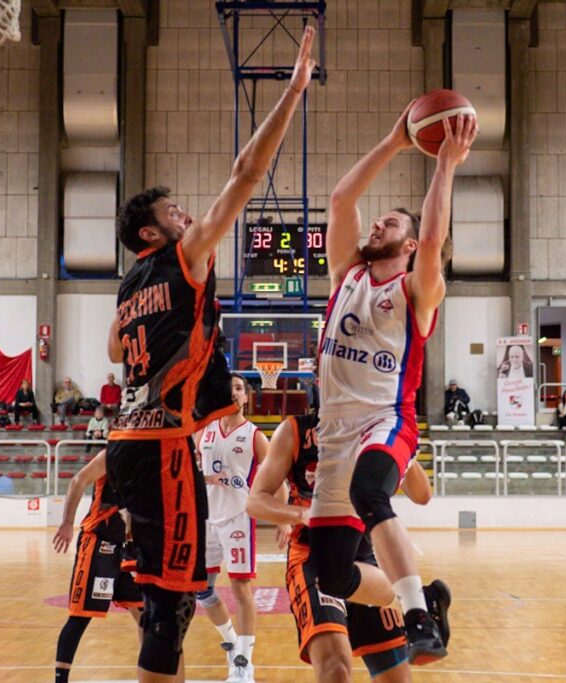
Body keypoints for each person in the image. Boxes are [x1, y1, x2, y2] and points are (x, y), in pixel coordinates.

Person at [104, 28, 316, 682]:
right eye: (174, 212)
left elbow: (115, 347)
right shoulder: (181, 259)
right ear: (151, 232)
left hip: (125, 445)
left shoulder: (129, 284)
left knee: (172, 594)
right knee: (171, 607)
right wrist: (294, 91)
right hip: (166, 448)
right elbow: (246, 174)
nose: (187, 214)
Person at [312, 105, 474, 665]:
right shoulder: (347, 276)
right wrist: (394, 140)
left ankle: (417, 618)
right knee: (330, 571)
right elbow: (340, 201)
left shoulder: (418, 289)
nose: (378, 224)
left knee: (370, 492)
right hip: (332, 433)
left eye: (392, 224)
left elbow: (433, 241)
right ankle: (423, 594)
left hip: (386, 421)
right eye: (379, 221)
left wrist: (445, 166)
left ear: (409, 246)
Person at [246, 410, 445, 683]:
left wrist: (399, 440)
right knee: (335, 670)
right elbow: (255, 501)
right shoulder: (294, 430)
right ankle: (417, 600)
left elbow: (422, 495)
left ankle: (417, 602)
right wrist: (300, 514)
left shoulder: (379, 430)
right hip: (311, 558)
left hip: (364, 559)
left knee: (396, 677)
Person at [50, 451, 168, 683]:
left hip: (126, 547)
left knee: (144, 614)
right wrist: (66, 523)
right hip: (97, 543)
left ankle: (150, 674)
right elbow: (78, 480)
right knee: (81, 616)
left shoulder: (150, 460)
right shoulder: (113, 454)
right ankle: (60, 679)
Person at [194, 374, 269, 683]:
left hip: (238, 517)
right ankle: (231, 643)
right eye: (228, 389)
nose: (234, 393)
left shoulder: (255, 436)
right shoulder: (202, 433)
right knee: (203, 590)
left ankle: (243, 662)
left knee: (240, 589)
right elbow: (188, 471)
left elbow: (277, 479)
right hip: (206, 518)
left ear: (247, 397)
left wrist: (285, 521)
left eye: (239, 389)